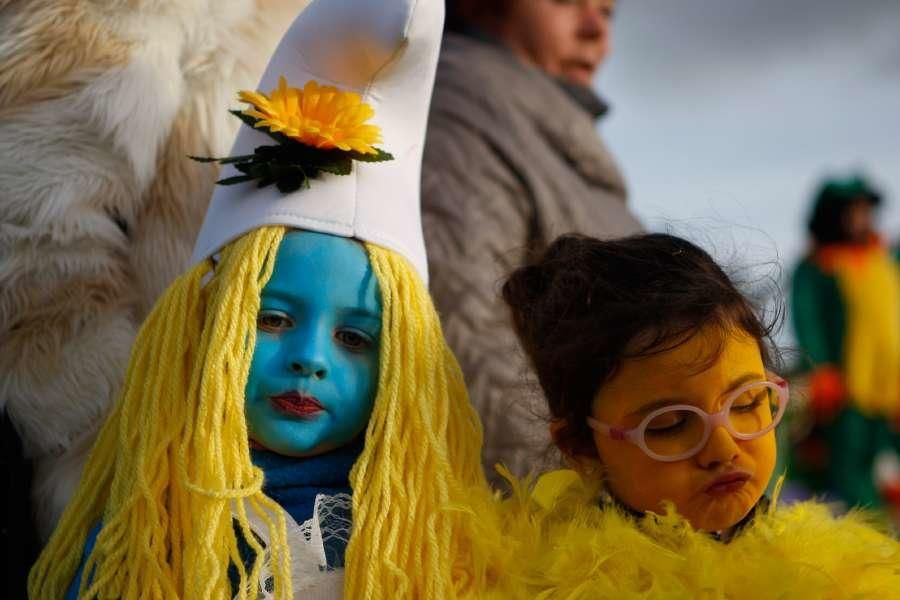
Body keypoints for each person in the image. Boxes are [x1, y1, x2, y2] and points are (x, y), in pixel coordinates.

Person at [29, 1, 491, 598]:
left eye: (355, 338)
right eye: (272, 318)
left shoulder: (428, 536)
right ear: (199, 325)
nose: (310, 359)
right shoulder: (145, 532)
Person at [492, 233, 900, 597]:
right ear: (581, 446)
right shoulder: (550, 585)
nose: (723, 449)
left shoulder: (832, 572)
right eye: (670, 424)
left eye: (746, 402)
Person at [422, 0, 642, 484]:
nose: (595, 32)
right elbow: (465, 333)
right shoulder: (462, 114)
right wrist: (558, 518)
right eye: (567, 2)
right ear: (483, 8)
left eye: (607, 13)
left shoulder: (538, 130)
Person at [790, 175, 900, 512]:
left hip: (892, 383)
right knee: (851, 463)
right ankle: (872, 535)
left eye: (864, 211)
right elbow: (807, 320)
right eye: (850, 212)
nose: (859, 219)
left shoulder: (887, 256)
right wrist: (820, 369)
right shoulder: (816, 267)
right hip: (848, 384)